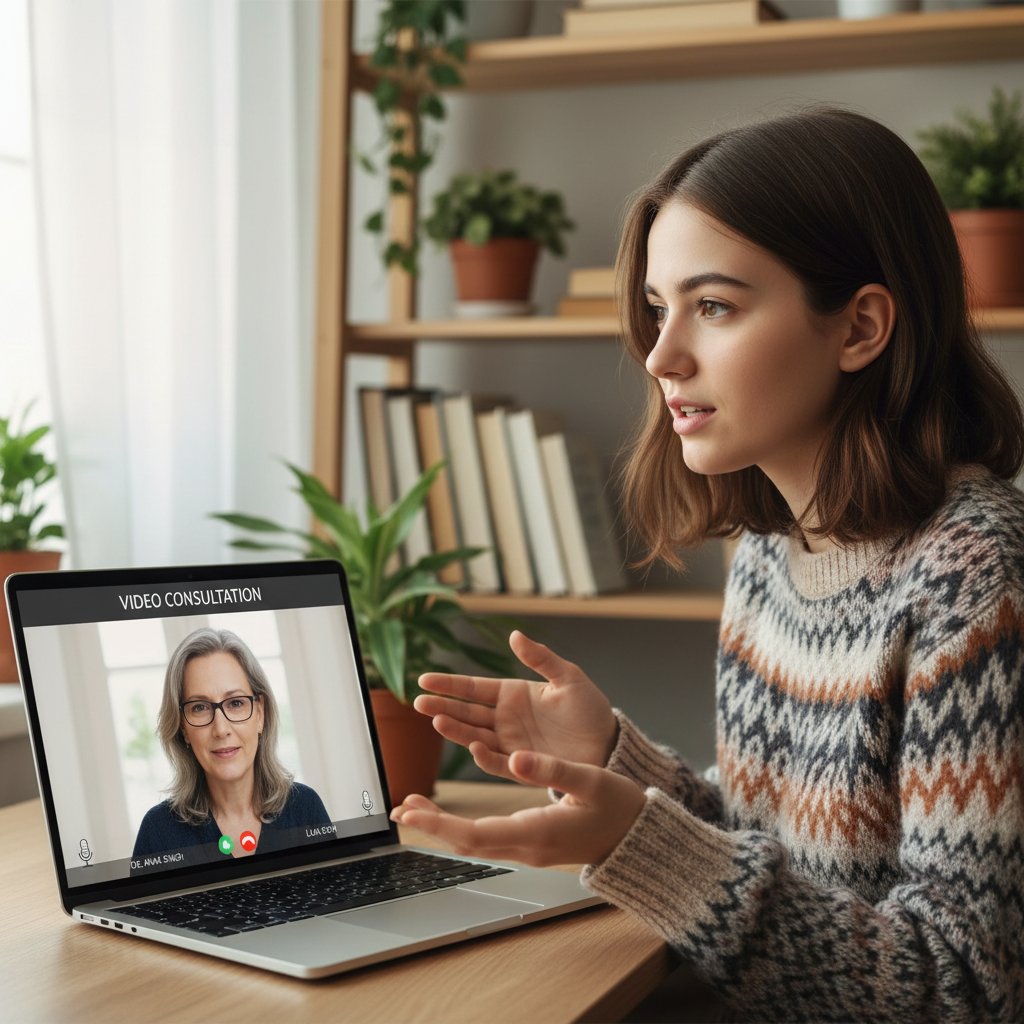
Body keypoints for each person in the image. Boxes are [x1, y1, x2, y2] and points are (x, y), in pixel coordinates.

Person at [390, 107, 1024, 1021]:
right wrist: (616, 760)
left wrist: (647, 842)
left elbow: (960, 989)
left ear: (860, 328)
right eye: (658, 309)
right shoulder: (771, 550)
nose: (660, 356)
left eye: (714, 306)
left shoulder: (975, 574)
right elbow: (779, 848)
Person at [133, 627, 331, 862]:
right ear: (183, 728)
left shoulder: (305, 808)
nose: (221, 729)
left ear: (260, 714)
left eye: (235, 703)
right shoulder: (158, 832)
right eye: (199, 707)